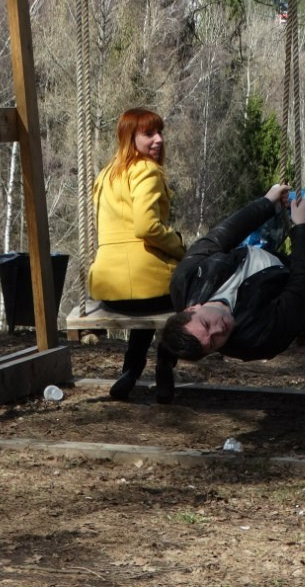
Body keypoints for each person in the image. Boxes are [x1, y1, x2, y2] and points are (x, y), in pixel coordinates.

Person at [158, 184, 305, 400]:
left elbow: (221, 236)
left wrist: (267, 202)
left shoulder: (187, 280)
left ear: (193, 308)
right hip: (280, 268)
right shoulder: (259, 337)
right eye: (213, 343)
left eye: (206, 324)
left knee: (274, 197)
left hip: (246, 248)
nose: (219, 330)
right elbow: (301, 287)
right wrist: (302, 227)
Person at [88, 107, 186, 401]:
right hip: (145, 289)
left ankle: (131, 368)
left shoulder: (106, 174)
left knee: (147, 300)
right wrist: (179, 247)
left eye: (160, 132)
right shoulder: (147, 170)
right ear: (130, 137)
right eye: (149, 134)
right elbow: (147, 227)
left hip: (110, 291)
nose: (159, 140)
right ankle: (165, 364)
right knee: (184, 293)